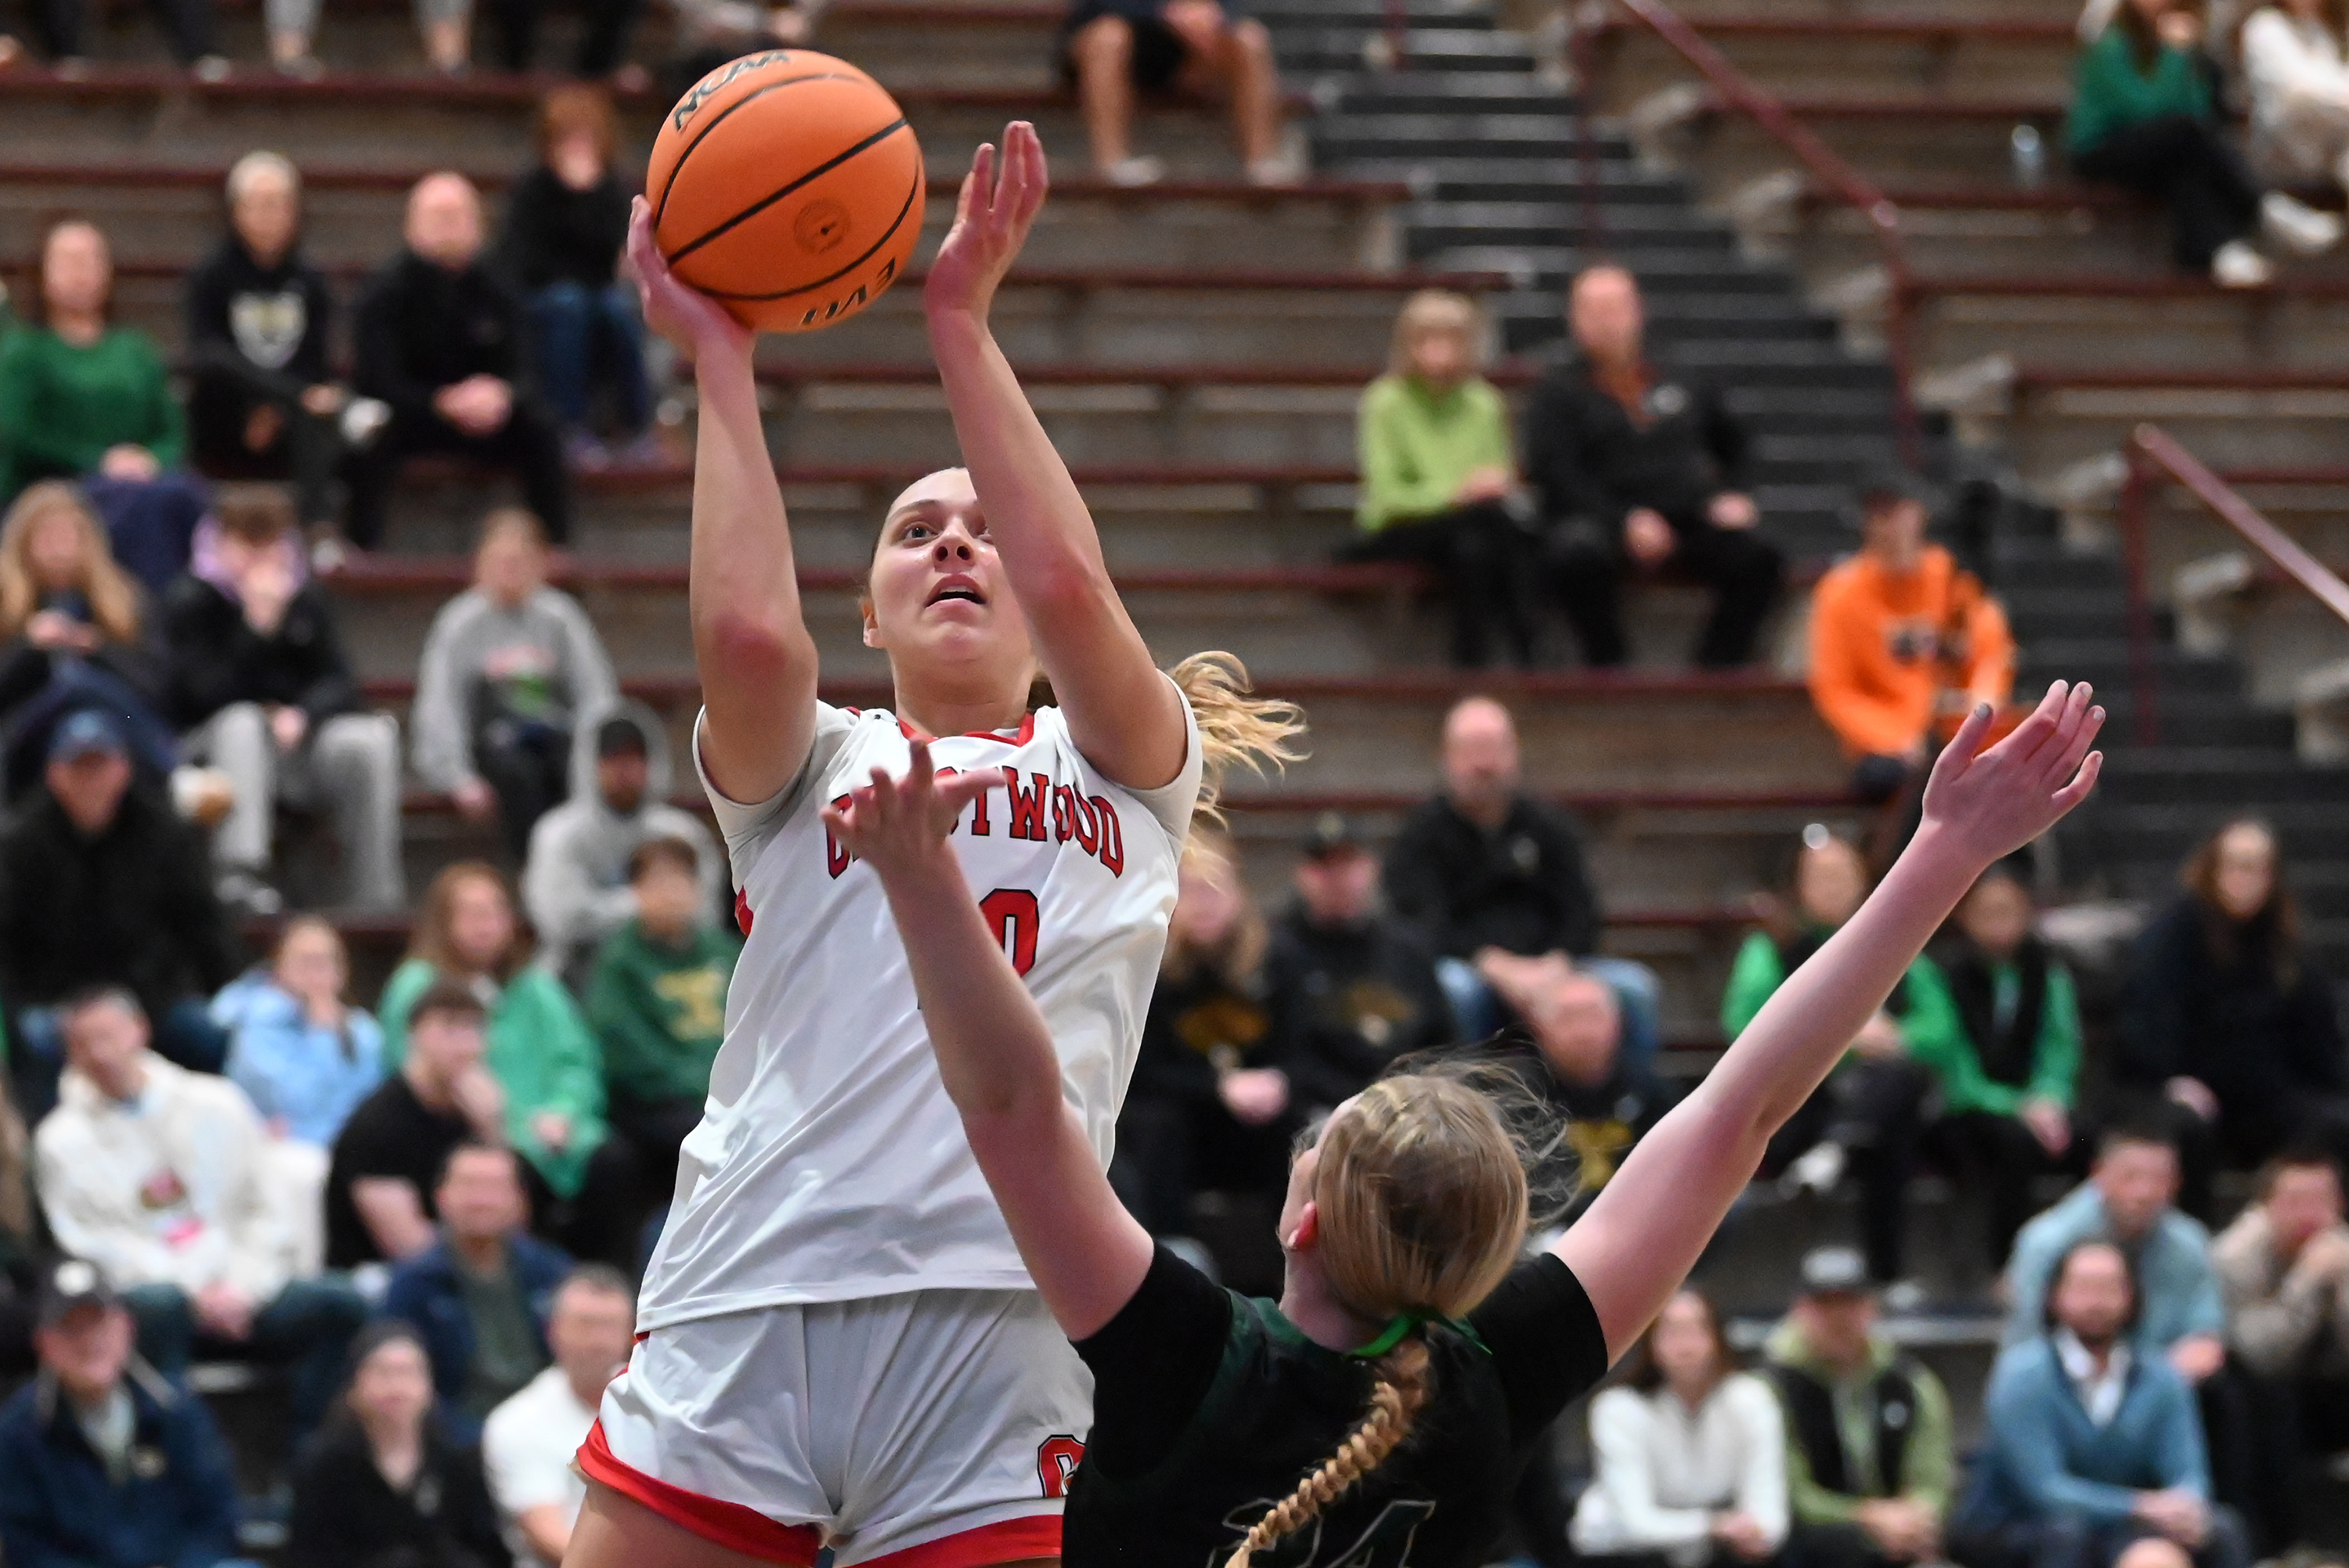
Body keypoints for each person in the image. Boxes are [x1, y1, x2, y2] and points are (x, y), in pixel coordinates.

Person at [808, 659, 2098, 1567]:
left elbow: (1012, 1101)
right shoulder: (1489, 1385)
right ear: (1491, 1255)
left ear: (1300, 1217)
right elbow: (1742, 1107)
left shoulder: (1195, 1359)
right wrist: (1943, 857)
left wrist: (921, 880)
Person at [565, 123, 1304, 1568]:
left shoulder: (1126, 764)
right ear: (871, 610)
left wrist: (959, 320)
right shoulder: (816, 758)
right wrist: (722, 357)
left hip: (1001, 1322)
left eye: (980, 529)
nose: (955, 544)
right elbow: (743, 633)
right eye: (914, 531)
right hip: (755, 1289)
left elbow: (1076, 578)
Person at [31, 986, 368, 1432]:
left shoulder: (218, 1102)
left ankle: (310, 1452)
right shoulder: (60, 1139)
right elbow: (91, 1243)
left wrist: (243, 1286)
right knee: (155, 1308)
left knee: (341, 1303)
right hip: (157, 1296)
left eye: (107, 1036)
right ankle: (185, 1449)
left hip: (245, 1288)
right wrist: (194, 1290)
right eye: (82, 1044)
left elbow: (266, 1208)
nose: (98, 1054)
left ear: (139, 1031)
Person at [1521, 265, 1784, 670]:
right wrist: (1624, 520)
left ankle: (1716, 672)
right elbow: (1554, 472)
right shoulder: (1557, 391)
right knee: (1575, 554)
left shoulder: (1681, 377)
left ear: (1637, 311)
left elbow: (1738, 444)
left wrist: (1734, 493)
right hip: (1601, 518)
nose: (1605, 321)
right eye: (1592, 310)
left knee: (1758, 557)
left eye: (1614, 308)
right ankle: (1610, 668)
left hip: (1685, 513)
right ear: (1574, 320)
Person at [162, 483, 406, 914]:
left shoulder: (307, 601)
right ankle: (242, 875)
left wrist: (303, 715)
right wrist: (255, 629)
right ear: (220, 542)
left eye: (269, 543)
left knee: (368, 739)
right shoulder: (190, 601)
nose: (260, 559)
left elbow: (342, 682)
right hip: (212, 752)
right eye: (246, 544)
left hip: (294, 746)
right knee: (243, 723)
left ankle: (375, 892)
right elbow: (199, 693)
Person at [1723, 828, 1950, 1288]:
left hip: (1876, 1096)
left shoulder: (1897, 942)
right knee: (1889, 1114)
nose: (1834, 886)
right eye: (1821, 877)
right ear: (1798, 886)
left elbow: (1942, 1031)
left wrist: (1899, 1037)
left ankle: (1839, 1150)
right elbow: (1743, 1025)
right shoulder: (1770, 948)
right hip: (1799, 1100)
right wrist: (1845, 1038)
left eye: (1844, 874)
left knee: (1895, 1095)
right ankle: (1885, 1268)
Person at [379, 863, 631, 1267]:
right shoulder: (418, 984)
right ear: (444, 922)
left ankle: (601, 1284)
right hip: (469, 1128)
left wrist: (563, 1112)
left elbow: (576, 1061)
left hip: (553, 1128)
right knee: (507, 1170)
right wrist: (503, 1123)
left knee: (613, 1160)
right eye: (472, 914)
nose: (486, 925)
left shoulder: (533, 986)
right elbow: (411, 1072)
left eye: (495, 912)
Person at [1384, 694, 1661, 1057]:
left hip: (1552, 967)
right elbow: (1420, 928)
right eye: (1471, 750)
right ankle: (1460, 1105)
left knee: (1634, 988)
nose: (1485, 764)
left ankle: (1634, 1108)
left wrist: (1555, 966)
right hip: (1472, 968)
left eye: (1494, 748)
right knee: (1455, 990)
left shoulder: (1550, 826)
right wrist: (1495, 966)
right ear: (1446, 757)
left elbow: (1582, 913)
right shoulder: (1419, 837)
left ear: (1515, 753)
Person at [2001, 1127, 2250, 1525]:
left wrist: (2160, 1378)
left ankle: (2225, 1522)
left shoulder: (2189, 1243)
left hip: (2150, 1382)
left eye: (2159, 1179)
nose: (2145, 1191)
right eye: (2132, 1177)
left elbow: (2207, 1334)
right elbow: (2024, 1349)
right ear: (2098, 1174)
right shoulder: (2046, 1243)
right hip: (2062, 1386)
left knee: (2227, 1390)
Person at [1952, 1239, 2250, 1568]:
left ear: (2132, 1297)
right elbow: (2046, 1490)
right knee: (2067, 1534)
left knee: (2219, 1528)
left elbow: (2189, 1473)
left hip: (2122, 1524)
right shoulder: (2023, 1376)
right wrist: (2138, 1506)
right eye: (2084, 1287)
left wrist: (2184, 1508)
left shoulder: (2162, 1378)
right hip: (2025, 1524)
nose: (2097, 1301)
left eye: (2109, 1288)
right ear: (2055, 1297)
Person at [0, 709, 242, 1112]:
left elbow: (204, 926)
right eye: (79, 768)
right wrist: (33, 1007)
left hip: (150, 1000)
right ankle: (39, 1153)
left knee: (209, 1035)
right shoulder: (21, 844)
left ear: (123, 770)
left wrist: (223, 993)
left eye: (100, 766)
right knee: (30, 1040)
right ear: (54, 775)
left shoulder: (164, 835)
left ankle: (209, 1139)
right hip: (56, 1002)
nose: (90, 780)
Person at [2116, 818, 2349, 1220]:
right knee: (2185, 1127)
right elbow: (2147, 1025)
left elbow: (2317, 1039)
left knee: (2333, 1122)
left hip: (2267, 1096)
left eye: (2260, 868)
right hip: (2191, 1093)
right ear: (2213, 869)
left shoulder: (2284, 943)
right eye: (2239, 865)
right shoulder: (2172, 937)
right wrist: (2172, 1080)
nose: (2249, 879)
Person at [349, 173, 572, 552]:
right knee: (367, 431)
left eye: (459, 216)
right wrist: (441, 402)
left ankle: (555, 547)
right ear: (410, 225)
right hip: (416, 416)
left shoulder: (500, 286)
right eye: (438, 216)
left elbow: (526, 368)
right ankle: (361, 547)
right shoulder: (383, 293)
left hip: (488, 418)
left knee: (542, 427)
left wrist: (503, 394)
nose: (449, 226)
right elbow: (378, 380)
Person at [1115, 830, 1291, 1281]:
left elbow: (1302, 1051)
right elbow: (1139, 1073)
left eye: (1217, 887)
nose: (1206, 901)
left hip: (1256, 1119)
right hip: (1182, 1119)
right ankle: (1166, 1259)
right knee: (1154, 1125)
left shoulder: (1277, 963)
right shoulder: (1146, 968)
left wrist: (1279, 1082)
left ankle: (1299, 1254)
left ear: (1240, 893)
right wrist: (1217, 1087)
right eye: (1192, 888)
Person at [0, 219, 208, 598]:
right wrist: (98, 461)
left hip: (140, 484)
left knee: (181, 492)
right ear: (42, 272)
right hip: (57, 486)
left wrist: (150, 461)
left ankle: (180, 617)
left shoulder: (136, 350)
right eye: (67, 260)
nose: (80, 272)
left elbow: (172, 432)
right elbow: (19, 435)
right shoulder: (23, 351)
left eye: (90, 260)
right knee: (140, 505)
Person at [2069, 0, 2339, 285]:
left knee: (2185, 165)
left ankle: (2224, 251)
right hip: (2103, 146)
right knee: (2184, 136)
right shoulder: (2110, 44)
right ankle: (2263, 205)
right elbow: (2146, 109)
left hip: (2167, 149)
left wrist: (2188, 59)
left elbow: (2199, 111)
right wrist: (2175, 56)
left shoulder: (2183, 41)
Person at [0, 1260, 241, 1568]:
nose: (88, 1341)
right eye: (71, 1329)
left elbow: (217, 1518)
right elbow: (29, 1548)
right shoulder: (19, 1432)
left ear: (127, 1327)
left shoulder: (175, 1407)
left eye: (98, 1323)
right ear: (44, 1343)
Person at [1342, 290, 1534, 669]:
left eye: (1452, 340)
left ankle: (1477, 664)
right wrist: (1455, 494)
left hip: (1472, 527)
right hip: (1404, 524)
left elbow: (1498, 476)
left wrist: (1486, 489)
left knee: (1477, 545)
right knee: (1484, 532)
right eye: (1429, 339)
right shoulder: (1385, 401)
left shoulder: (1485, 403)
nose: (1441, 350)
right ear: (1408, 345)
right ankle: (1525, 652)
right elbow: (1387, 495)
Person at [413, 508, 618, 861]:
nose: (511, 570)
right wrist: (456, 777)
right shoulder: (459, 624)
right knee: (519, 775)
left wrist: (599, 758)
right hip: (495, 745)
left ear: (542, 565)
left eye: (521, 560)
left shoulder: (561, 618)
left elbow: (595, 694)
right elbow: (441, 704)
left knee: (568, 766)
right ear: (480, 564)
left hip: (555, 737)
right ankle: (532, 870)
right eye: (501, 561)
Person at [1807, 472, 2016, 808]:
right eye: (1878, 515)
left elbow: (1989, 652)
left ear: (1920, 513)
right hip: (1887, 746)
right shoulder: (1840, 593)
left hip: (1953, 731)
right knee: (1910, 781)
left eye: (1896, 511)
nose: (1889, 526)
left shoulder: (1950, 576)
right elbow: (1837, 689)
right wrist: (1894, 738)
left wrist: (1980, 709)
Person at [1918, 865, 2082, 1272]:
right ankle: (2006, 1265)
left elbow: (2060, 1047)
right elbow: (1956, 1067)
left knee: (2089, 1140)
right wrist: (2017, 1106)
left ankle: (2084, 1265)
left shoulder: (2048, 973)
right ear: (1964, 916)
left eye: (2008, 910)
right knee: (2014, 1142)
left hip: (2036, 1105)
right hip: (1966, 1109)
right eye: (1987, 912)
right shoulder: (1945, 975)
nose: (1999, 922)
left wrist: (2050, 1099)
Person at [185, 151, 355, 536]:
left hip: (291, 414)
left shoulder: (312, 281)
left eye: (277, 204)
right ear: (235, 211)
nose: (268, 215)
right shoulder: (211, 276)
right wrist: (277, 399)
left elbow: (316, 363)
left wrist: (281, 407)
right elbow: (208, 355)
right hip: (227, 410)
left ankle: (319, 532)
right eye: (257, 204)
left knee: (333, 415)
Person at [1764, 1246, 1956, 1568]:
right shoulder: (1772, 1390)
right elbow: (1793, 1495)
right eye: (1825, 1305)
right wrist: (1868, 1518)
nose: (1838, 1318)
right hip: (1811, 1548)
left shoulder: (1912, 1384)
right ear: (1800, 1311)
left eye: (1849, 1303)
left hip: (1900, 1543)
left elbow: (1933, 1480)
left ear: (1871, 1308)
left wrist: (1915, 1518)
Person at [1570, 1289, 1789, 1568]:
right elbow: (1636, 1521)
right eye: (1671, 1331)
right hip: (1622, 1551)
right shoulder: (1617, 1408)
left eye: (1697, 1330)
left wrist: (1756, 1533)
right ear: (1649, 1343)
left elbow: (1770, 1512)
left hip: (1717, 1544)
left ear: (1718, 1338)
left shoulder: (1752, 1398)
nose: (1686, 1345)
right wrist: (1712, 1525)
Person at [1263, 812, 1452, 1123]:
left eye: (1348, 863)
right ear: (1302, 875)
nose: (1337, 878)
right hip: (1318, 1114)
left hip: (1409, 1109)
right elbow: (1284, 1056)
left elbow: (1442, 1041)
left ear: (1372, 868)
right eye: (1324, 866)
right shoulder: (1277, 952)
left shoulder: (1408, 949)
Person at [583, 836, 738, 1217]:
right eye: (657, 882)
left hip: (728, 1093)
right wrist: (702, 1086)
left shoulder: (724, 951)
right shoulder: (619, 963)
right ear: (635, 892)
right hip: (657, 1104)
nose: (671, 893)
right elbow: (624, 1050)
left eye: (681, 881)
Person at [382, 1142, 571, 1444]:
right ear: (441, 1196)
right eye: (469, 1186)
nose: (481, 1200)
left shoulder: (553, 1273)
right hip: (457, 1437)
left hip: (549, 1429)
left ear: (520, 1200)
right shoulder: (415, 1283)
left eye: (495, 1187)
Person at [503, 86, 652, 467]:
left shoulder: (613, 191)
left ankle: (638, 425)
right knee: (568, 304)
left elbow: (615, 257)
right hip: (544, 299)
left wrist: (588, 195)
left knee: (617, 312)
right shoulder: (531, 191)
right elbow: (524, 263)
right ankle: (567, 427)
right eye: (567, 139)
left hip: (600, 296)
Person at [283, 1320, 512, 1568]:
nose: (396, 1387)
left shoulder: (459, 1457)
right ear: (354, 1385)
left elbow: (486, 1549)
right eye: (382, 1373)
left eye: (408, 1372)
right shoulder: (323, 1464)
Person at [2210, 1150, 2349, 1555]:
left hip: (2333, 1384)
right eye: (2294, 1200)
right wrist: (2306, 1283)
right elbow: (2260, 1357)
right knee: (2263, 1398)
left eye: (2320, 1200)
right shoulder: (2234, 1255)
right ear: (2266, 1204)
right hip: (2267, 1392)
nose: (2308, 1213)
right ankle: (2277, 1545)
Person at [522, 705, 722, 986]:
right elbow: (560, 919)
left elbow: (706, 916)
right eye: (613, 759)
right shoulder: (558, 833)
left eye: (636, 758)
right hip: (579, 971)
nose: (625, 770)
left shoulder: (684, 833)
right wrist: (643, 905)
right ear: (589, 764)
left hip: (672, 970)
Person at [0, 481, 177, 798]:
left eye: (68, 536)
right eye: (47, 537)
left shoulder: (126, 599)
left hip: (113, 729)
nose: (58, 549)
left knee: (86, 711)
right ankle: (174, 772)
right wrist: (29, 648)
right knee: (73, 683)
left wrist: (96, 648)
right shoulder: (4, 605)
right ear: (23, 543)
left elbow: (157, 688)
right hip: (19, 735)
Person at [324, 979, 506, 1271]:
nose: (464, 1045)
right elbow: (411, 1249)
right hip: (378, 1277)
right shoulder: (379, 1125)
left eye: (474, 1029)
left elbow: (510, 1229)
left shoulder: (474, 1115)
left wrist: (493, 1130)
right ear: (414, 1036)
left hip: (463, 1273)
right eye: (449, 1029)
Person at [482, 1267, 635, 1568]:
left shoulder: (658, 1409)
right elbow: (545, 1535)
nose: (598, 1341)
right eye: (585, 1324)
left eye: (610, 1326)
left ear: (633, 1333)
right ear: (552, 1330)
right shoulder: (517, 1422)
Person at [1060, 0, 1287, 186]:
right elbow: (1092, 9)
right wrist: (1165, 13)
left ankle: (1261, 162)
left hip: (1184, 53)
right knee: (1107, 37)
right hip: (1117, 35)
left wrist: (1212, 15)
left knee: (1250, 38)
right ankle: (1111, 162)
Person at [217, 914, 387, 1153]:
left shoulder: (362, 1030)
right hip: (282, 1150)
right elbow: (293, 1102)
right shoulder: (259, 1022)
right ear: (280, 967)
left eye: (325, 961)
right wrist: (322, 1035)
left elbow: (371, 1100)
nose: (315, 972)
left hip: (350, 1150)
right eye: (305, 961)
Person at [1511, 971, 1676, 1215]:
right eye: (1568, 1018)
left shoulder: (1652, 1092)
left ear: (1618, 1022)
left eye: (1593, 1016)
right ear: (1539, 1028)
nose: (1583, 1032)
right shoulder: (1516, 1094)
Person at [2242, 0, 2349, 200]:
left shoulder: (2320, 29)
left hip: (2329, 151)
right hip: (2285, 157)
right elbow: (2301, 91)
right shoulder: (2265, 27)